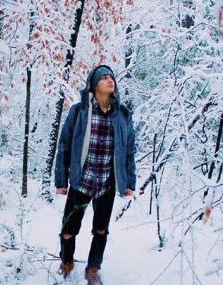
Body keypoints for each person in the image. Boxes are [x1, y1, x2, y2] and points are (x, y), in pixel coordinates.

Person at [54, 65, 136, 284]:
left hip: (106, 185)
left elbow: (129, 150)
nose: (111, 80)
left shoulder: (123, 115)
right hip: (81, 182)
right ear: (94, 84)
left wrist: (130, 181)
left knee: (101, 230)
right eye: (105, 77)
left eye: (112, 77)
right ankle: (67, 260)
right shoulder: (79, 111)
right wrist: (61, 180)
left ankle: (93, 268)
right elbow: (63, 145)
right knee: (68, 231)